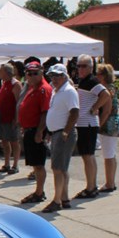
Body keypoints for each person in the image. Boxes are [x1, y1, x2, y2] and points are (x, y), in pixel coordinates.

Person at [43, 63, 80, 213]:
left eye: (58, 75)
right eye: (52, 75)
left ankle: (57, 200)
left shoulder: (68, 91)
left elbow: (74, 112)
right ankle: (63, 197)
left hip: (63, 133)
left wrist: (65, 131)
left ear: (64, 76)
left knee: (57, 168)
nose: (54, 78)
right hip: (57, 132)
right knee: (61, 168)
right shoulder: (57, 91)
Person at [73, 55, 112, 199]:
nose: (80, 69)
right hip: (84, 123)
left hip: (88, 123)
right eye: (78, 66)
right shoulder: (84, 82)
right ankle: (91, 185)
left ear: (90, 67)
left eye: (84, 66)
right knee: (87, 155)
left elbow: (106, 95)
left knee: (87, 155)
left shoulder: (91, 81)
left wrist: (95, 107)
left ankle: (90, 187)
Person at [17, 61, 52, 203]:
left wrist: (40, 131)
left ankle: (39, 192)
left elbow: (45, 112)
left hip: (37, 131)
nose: (31, 76)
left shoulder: (44, 89)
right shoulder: (32, 88)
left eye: (35, 73)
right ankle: (38, 191)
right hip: (29, 130)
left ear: (41, 73)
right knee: (35, 164)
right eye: (28, 73)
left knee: (38, 164)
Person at [95, 63, 119, 192]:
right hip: (113, 122)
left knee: (108, 154)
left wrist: (98, 125)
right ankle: (111, 181)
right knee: (110, 154)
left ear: (104, 76)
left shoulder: (107, 90)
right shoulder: (111, 88)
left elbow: (106, 110)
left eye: (98, 74)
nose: (96, 76)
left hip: (108, 123)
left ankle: (109, 183)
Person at [0, 63, 20, 174]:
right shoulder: (4, 83)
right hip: (2, 118)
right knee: (4, 141)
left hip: (11, 118)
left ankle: (15, 165)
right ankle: (7, 163)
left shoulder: (15, 84)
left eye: (1, 71)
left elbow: (18, 103)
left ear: (7, 72)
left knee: (14, 141)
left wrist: (16, 118)